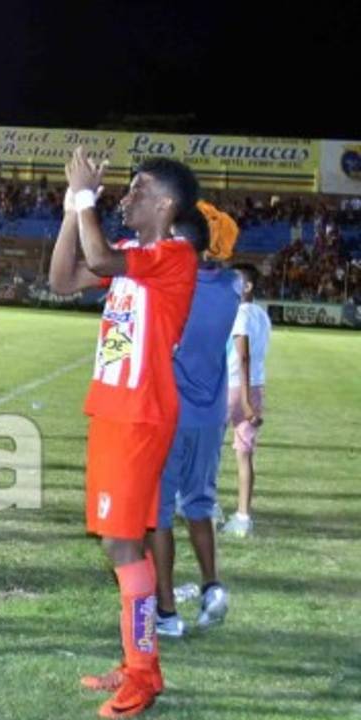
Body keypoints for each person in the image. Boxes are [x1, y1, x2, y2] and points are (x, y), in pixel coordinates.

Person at [49, 148, 201, 718]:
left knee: (120, 542)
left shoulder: (175, 255)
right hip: (114, 410)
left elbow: (99, 257)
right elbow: (62, 279)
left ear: (164, 204)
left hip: (140, 413)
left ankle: (144, 674)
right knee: (120, 539)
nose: (127, 197)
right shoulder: (136, 254)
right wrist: (72, 204)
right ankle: (137, 661)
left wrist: (88, 196)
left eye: (137, 190)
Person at [148, 204, 242, 639]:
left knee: (159, 514)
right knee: (200, 505)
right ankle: (212, 586)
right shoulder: (231, 289)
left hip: (170, 415)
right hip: (210, 415)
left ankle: (166, 611)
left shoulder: (175, 289)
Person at [220, 264, 271, 538]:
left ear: (248, 286)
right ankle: (242, 516)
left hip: (234, 386)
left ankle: (208, 505)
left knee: (209, 450)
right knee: (245, 453)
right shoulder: (262, 315)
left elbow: (243, 356)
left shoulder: (240, 313)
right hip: (256, 386)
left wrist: (244, 399)